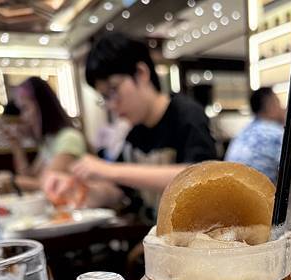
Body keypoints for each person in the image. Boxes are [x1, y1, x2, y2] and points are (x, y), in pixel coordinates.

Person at [44, 33, 217, 218]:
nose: (111, 105)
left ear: (141, 73)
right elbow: (119, 194)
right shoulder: (134, 132)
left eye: (113, 90)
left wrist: (109, 170)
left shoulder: (186, 114)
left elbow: (202, 177)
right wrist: (78, 188)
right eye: (104, 98)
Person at [225, 87, 291, 265]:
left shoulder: (241, 133)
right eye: (279, 103)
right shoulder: (279, 134)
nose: (283, 108)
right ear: (271, 106)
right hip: (262, 211)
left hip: (232, 210)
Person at [3, 77, 86, 192]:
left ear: (42, 106)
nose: (23, 117)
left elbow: (49, 185)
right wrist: (16, 146)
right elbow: (29, 177)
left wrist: (8, 181)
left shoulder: (69, 137)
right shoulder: (49, 141)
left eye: (25, 108)